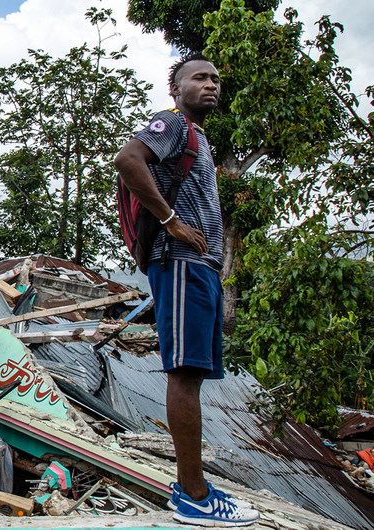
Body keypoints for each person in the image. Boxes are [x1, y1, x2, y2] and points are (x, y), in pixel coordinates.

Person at [114, 54, 259, 527]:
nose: (211, 84)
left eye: (216, 78)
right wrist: (171, 221)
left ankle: (195, 489)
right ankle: (193, 496)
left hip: (200, 268)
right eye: (199, 77)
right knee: (184, 373)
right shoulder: (171, 123)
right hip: (179, 264)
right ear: (175, 89)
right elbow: (127, 160)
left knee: (193, 374)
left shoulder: (197, 136)